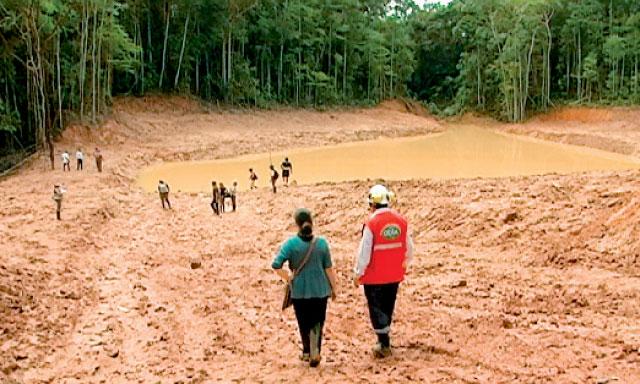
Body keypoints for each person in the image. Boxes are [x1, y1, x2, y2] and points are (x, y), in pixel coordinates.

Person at [353, 184, 413, 358]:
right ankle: (385, 337)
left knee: (377, 307)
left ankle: (383, 342)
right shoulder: (401, 221)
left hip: (374, 276)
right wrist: (404, 263)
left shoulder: (371, 223)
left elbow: (364, 252)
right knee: (388, 305)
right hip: (394, 274)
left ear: (372, 203)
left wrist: (358, 273)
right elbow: (409, 248)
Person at [272, 208, 338, 367]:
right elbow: (328, 268)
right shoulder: (322, 243)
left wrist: (288, 277)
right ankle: (316, 350)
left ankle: (307, 352)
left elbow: (276, 265)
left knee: (303, 322)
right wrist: (334, 288)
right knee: (317, 322)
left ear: (297, 224)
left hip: (299, 291)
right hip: (321, 290)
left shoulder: (290, 244)